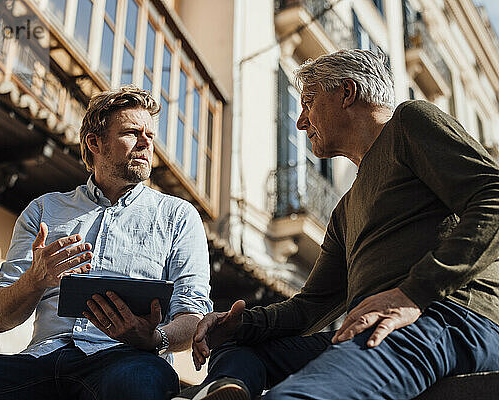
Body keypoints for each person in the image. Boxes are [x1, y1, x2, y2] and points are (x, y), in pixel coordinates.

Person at [175, 49, 499, 400]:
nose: (300, 122)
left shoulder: (410, 121)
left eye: (309, 102)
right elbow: (310, 306)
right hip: (376, 327)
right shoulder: (345, 209)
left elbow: (494, 198)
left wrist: (412, 294)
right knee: (240, 350)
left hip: (449, 316)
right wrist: (240, 324)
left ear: (347, 93)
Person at [0, 86, 212, 400]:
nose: (146, 143)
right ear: (95, 142)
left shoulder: (179, 216)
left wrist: (154, 339)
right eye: (132, 132)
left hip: (127, 361)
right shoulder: (43, 210)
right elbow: (0, 317)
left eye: (150, 135)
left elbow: (193, 316)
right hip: (41, 362)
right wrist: (36, 279)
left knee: (142, 383)